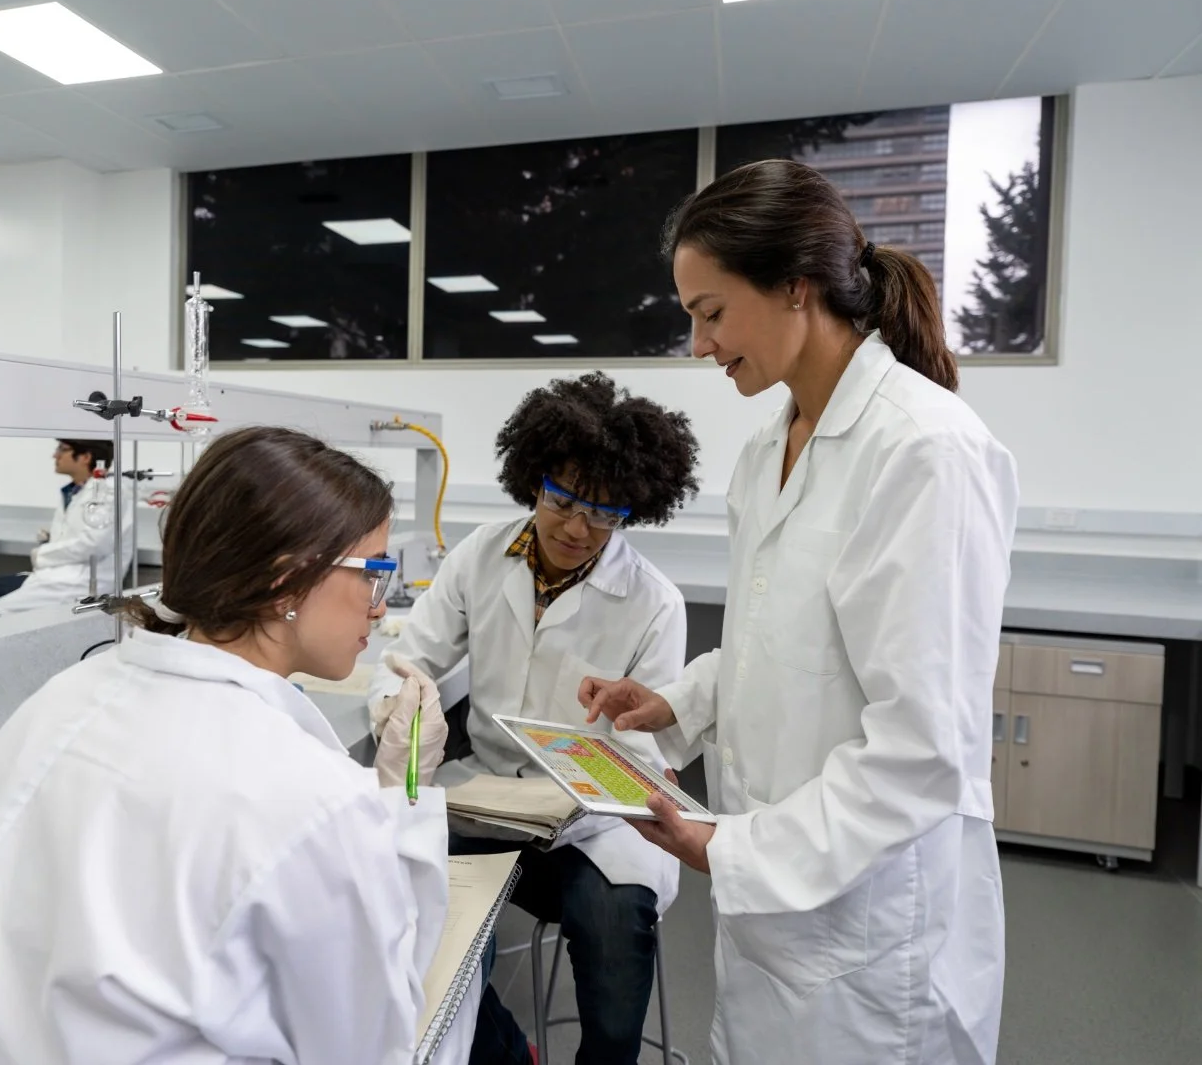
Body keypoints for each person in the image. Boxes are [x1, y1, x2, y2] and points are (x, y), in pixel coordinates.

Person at [580, 159, 1019, 1065]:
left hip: (870, 928)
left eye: (711, 313)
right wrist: (678, 701)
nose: (699, 345)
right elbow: (778, 641)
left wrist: (727, 849)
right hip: (776, 920)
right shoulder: (767, 450)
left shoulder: (924, 451)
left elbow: (923, 748)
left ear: (795, 286)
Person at [0, 426, 455, 1065]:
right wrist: (405, 790)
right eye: (374, 574)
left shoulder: (66, 696)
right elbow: (369, 1039)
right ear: (288, 582)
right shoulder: (311, 797)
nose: (379, 608)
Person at [369, 373, 701, 1065]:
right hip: (485, 797)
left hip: (593, 827)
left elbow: (651, 745)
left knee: (614, 937)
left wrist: (609, 770)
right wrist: (398, 706)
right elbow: (412, 657)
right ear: (534, 479)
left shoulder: (655, 603)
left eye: (605, 514)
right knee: (420, 915)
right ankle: (501, 1053)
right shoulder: (479, 556)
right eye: (564, 500)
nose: (579, 529)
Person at [0, 439, 132, 624]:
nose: (55, 455)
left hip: (77, 583)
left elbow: (93, 545)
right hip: (54, 576)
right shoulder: (76, 491)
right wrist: (52, 540)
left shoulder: (106, 492)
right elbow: (86, 534)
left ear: (85, 457)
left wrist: (42, 553)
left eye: (62, 449)